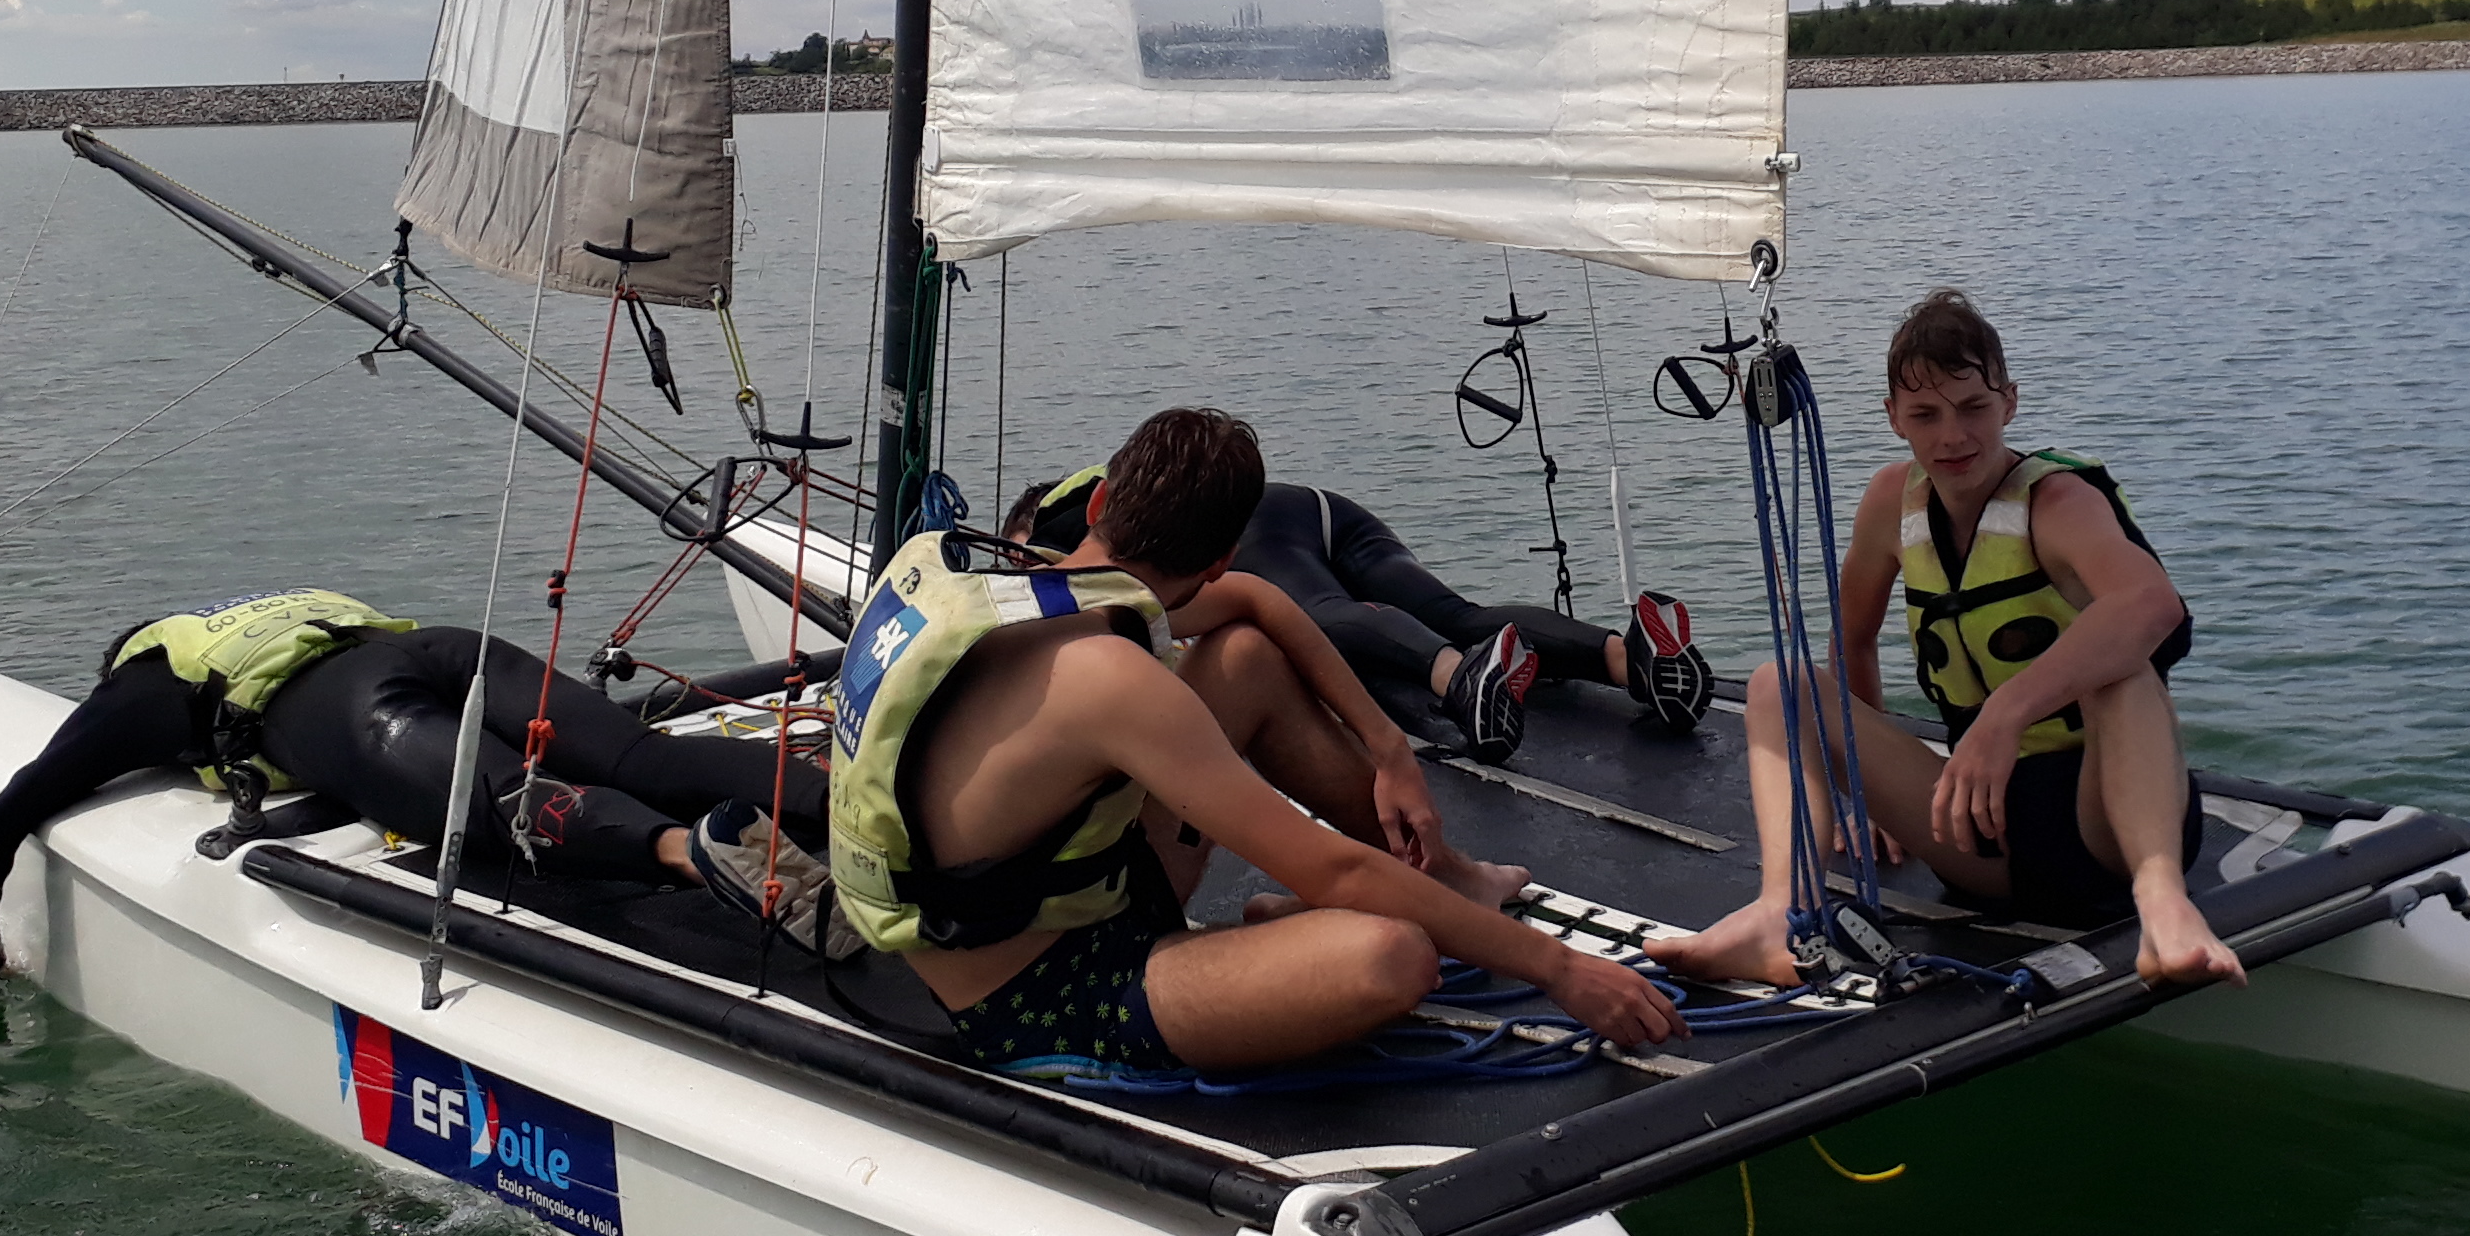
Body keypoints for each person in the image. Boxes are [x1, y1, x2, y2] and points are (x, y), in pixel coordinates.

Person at [705, 407, 1681, 1077]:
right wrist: (1561, 972)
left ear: (1097, 504)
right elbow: (1338, 875)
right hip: (1028, 985)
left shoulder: (993, 568)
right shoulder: (1115, 680)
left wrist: (1390, 750)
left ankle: (1431, 884)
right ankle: (1281, 943)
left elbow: (1255, 607)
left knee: (1246, 659)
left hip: (1072, 883)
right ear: (1210, 552)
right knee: (1391, 958)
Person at [1647, 291, 2239, 992]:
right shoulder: (1891, 504)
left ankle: (2164, 905)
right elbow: (1853, 641)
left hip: (2105, 825)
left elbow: (2154, 605)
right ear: (1894, 418)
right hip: (1986, 840)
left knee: (2122, 668)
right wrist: (1867, 800)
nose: (1953, 436)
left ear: (2009, 404)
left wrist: (2007, 710)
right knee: (1782, 682)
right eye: (1926, 415)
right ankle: (1782, 913)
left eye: (1973, 409)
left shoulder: (2059, 505)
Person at [0, 590, 793, 980]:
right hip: (444, 650)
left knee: (498, 807)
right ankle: (855, 800)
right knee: (643, 760)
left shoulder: (138, 686)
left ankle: (694, 854)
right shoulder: (258, 614)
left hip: (355, 712)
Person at [1017, 471, 1713, 765]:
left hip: (1258, 529)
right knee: (1455, 611)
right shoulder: (1133, 482)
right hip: (1321, 508)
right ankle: (1633, 661)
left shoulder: (1064, 533)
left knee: (1319, 616)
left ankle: (1456, 679)